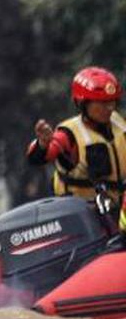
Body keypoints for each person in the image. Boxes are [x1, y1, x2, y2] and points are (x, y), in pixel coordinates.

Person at [28, 66, 126, 214]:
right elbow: (37, 158)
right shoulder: (69, 134)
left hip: (116, 214)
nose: (110, 108)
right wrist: (42, 144)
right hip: (80, 219)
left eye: (112, 102)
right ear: (82, 103)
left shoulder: (119, 123)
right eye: (102, 103)